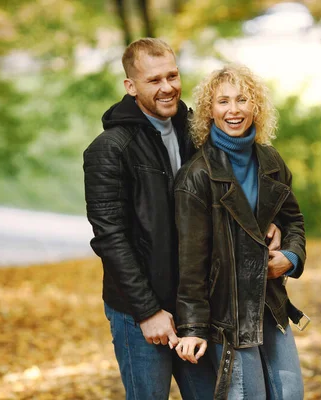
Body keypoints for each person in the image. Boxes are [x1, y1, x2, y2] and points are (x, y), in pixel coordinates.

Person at [83, 39, 282, 400]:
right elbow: (110, 239)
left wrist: (267, 225)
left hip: (197, 307)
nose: (167, 87)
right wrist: (147, 311)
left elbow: (234, 191)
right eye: (153, 80)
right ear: (131, 87)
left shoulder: (197, 133)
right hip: (139, 312)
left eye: (172, 76)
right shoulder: (109, 149)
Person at [173, 64, 310, 400]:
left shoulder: (271, 161)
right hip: (227, 314)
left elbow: (293, 221)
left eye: (242, 100)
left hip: (270, 301)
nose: (233, 110)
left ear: (256, 107)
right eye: (222, 102)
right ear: (209, 111)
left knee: (290, 394)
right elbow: (190, 261)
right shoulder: (197, 175)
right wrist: (192, 327)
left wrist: (289, 258)